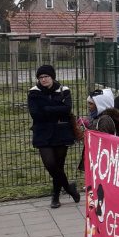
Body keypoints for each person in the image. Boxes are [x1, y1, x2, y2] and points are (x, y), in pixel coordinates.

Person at [28, 65, 79, 209]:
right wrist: (57, 108)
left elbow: (67, 109)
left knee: (59, 165)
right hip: (42, 132)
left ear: (52, 77)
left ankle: (55, 196)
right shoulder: (33, 92)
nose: (43, 79)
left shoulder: (64, 90)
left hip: (61, 131)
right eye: (41, 77)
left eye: (46, 76)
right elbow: (35, 114)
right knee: (50, 164)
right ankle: (69, 188)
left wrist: (46, 108)